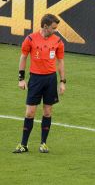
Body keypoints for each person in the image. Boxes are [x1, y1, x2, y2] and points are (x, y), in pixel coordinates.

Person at [13, 14, 66, 153]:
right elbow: (23, 57)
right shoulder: (30, 39)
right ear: (45, 26)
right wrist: (21, 78)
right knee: (30, 112)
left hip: (50, 79)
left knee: (47, 111)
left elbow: (60, 62)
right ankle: (23, 144)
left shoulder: (58, 41)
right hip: (35, 79)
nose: (55, 30)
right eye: (53, 28)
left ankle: (43, 143)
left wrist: (62, 81)